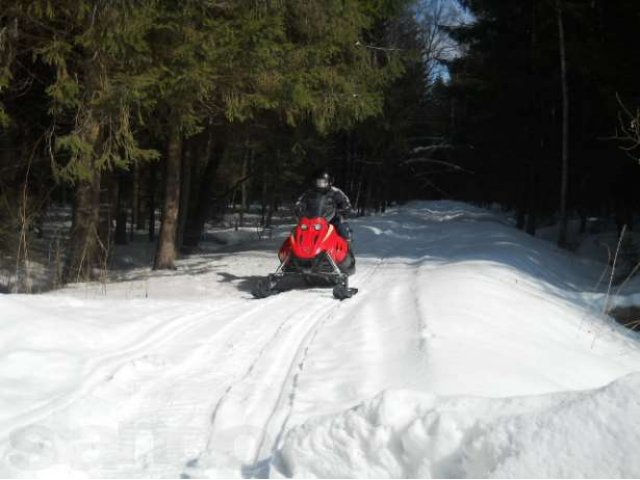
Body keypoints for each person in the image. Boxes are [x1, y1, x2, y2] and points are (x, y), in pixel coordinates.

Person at [295, 168, 353, 243]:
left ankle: (347, 247)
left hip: (331, 219)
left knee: (342, 228)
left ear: (329, 182)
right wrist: (299, 209)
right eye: (318, 182)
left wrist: (344, 209)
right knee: (296, 232)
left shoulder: (335, 192)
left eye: (323, 182)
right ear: (314, 182)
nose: (321, 185)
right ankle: (291, 252)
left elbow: (345, 202)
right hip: (312, 221)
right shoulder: (309, 193)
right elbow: (300, 202)